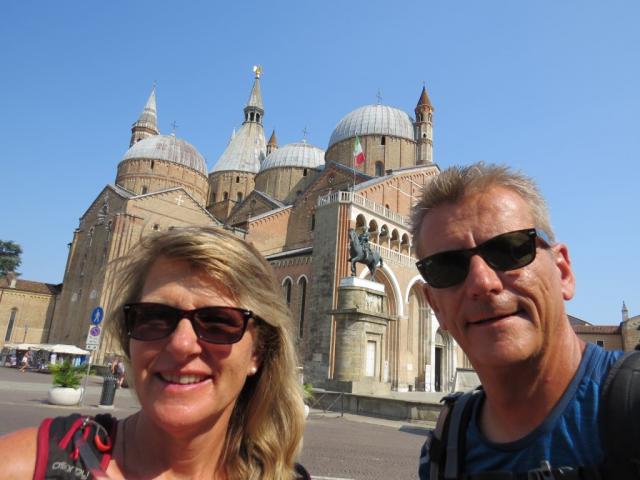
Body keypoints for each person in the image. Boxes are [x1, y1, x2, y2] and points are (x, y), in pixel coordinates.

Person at [0, 226, 309, 479]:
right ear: (128, 336)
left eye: (218, 322)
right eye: (154, 317)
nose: (181, 344)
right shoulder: (25, 466)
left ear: (258, 352)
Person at [411, 162, 634, 479]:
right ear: (435, 306)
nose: (482, 282)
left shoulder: (632, 405)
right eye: (447, 267)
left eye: (510, 250)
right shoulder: (441, 452)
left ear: (563, 272)